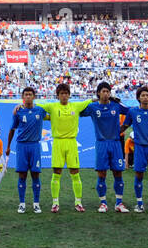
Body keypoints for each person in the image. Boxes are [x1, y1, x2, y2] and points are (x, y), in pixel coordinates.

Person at [39, 82, 92, 213]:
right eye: (61, 94)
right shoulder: (52, 106)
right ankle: (55, 202)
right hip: (57, 143)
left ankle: (78, 202)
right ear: (57, 95)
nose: (64, 96)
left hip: (71, 143)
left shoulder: (76, 106)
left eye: (66, 93)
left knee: (75, 172)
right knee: (56, 173)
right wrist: (20, 106)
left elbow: (91, 101)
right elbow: (35, 106)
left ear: (69, 95)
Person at [79, 81, 128, 212]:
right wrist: (92, 100)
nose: (106, 94)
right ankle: (103, 203)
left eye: (108, 91)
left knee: (118, 173)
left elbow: (130, 111)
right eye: (103, 91)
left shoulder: (116, 105)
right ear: (98, 93)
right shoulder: (93, 107)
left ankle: (119, 203)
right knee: (102, 174)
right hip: (101, 143)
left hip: (116, 143)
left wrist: (124, 127)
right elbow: (78, 111)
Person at [5, 86, 45, 214]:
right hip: (21, 146)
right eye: (26, 94)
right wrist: (8, 146)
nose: (28, 96)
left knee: (35, 174)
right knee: (22, 174)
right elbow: (12, 130)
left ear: (34, 96)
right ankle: (22, 203)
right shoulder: (18, 112)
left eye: (30, 94)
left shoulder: (40, 110)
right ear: (22, 97)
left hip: (35, 146)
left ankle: (36, 204)